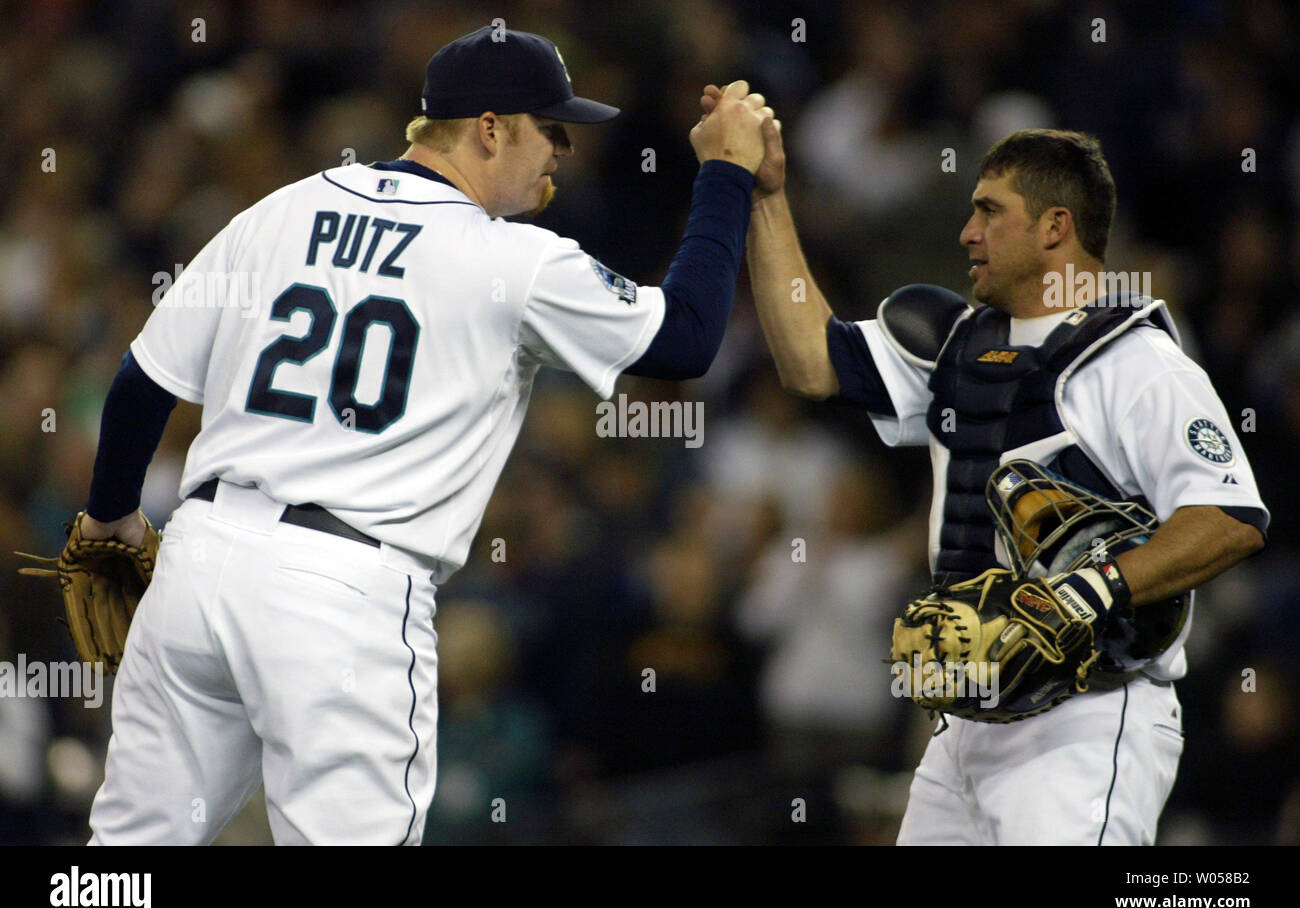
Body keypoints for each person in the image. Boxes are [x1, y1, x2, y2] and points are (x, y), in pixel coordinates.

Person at [79, 27, 773, 845]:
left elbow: (141, 384)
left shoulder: (283, 208)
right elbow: (688, 339)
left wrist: (110, 516)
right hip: (343, 591)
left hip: (200, 563)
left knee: (122, 861)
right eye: (549, 128)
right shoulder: (513, 259)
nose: (562, 149)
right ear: (489, 127)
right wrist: (726, 173)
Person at [716, 83, 1269, 845]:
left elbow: (1230, 518)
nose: (968, 232)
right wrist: (766, 196)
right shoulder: (958, 345)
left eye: (988, 211)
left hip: (1086, 719)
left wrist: (1088, 590)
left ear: (1055, 227)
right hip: (966, 720)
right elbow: (812, 360)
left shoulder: (1139, 362)